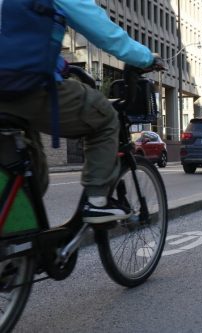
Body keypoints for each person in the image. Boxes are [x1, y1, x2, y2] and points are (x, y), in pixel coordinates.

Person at [0, 0, 164, 223]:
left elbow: (14, 39)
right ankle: (96, 201)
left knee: (30, 173)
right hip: (26, 87)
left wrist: (58, 64)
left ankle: (24, 247)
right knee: (106, 117)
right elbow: (104, 31)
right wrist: (145, 57)